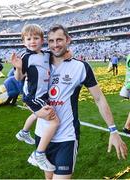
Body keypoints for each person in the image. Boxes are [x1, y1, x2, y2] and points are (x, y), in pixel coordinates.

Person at [28, 25, 128, 179]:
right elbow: (26, 91)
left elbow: (99, 98)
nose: (55, 45)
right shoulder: (39, 62)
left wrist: (113, 130)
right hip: (42, 134)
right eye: (52, 41)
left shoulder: (81, 67)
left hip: (67, 137)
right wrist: (35, 110)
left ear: (68, 40)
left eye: (60, 40)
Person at [11, 24, 60, 172]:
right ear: (23, 41)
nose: (32, 41)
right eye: (29, 38)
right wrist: (19, 68)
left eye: (36, 38)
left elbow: (57, 57)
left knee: (36, 115)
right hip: (33, 96)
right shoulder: (26, 57)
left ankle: (24, 133)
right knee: (54, 121)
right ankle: (38, 154)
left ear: (42, 40)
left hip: (42, 95)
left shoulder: (45, 54)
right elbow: (19, 78)